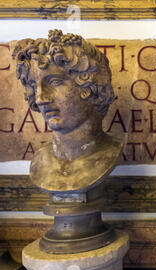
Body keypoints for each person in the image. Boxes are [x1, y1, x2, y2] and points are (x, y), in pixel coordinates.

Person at [13, 29, 122, 192]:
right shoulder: (40, 163)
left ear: (88, 86)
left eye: (55, 82)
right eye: (35, 86)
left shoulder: (111, 151)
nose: (41, 98)